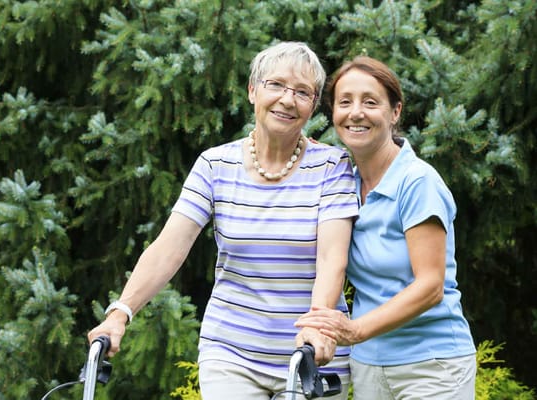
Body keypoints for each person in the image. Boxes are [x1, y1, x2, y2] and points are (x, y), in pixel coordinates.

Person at [87, 41, 359, 399]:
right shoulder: (215, 165)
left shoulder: (332, 167)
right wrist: (120, 312)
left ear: (312, 106)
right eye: (275, 85)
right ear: (252, 91)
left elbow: (331, 259)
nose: (287, 99)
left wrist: (317, 326)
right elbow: (170, 246)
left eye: (302, 92)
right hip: (231, 353)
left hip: (312, 353)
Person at [295, 56, 477, 399]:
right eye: (344, 102)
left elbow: (431, 286)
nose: (356, 112)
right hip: (369, 366)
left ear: (395, 112)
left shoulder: (417, 182)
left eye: (370, 102)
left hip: (432, 365)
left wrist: (356, 329)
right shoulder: (343, 182)